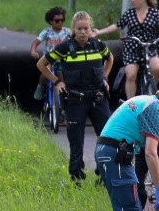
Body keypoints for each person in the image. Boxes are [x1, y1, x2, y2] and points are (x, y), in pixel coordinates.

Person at [38, 11, 114, 182]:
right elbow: (41, 64)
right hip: (75, 100)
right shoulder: (65, 47)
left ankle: (103, 175)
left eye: (86, 28)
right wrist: (57, 82)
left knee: (107, 138)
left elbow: (110, 58)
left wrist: (105, 77)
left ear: (90, 28)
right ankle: (76, 177)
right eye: (79, 29)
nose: (83, 32)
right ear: (73, 29)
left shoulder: (98, 45)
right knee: (76, 141)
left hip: (98, 99)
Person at [95, 93, 159, 211]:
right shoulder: (156, 111)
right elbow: (150, 153)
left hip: (109, 152)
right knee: (130, 209)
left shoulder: (147, 100)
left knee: (130, 206)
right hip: (116, 154)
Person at [99, 0, 159, 97]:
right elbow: (117, 26)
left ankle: (150, 87)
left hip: (149, 46)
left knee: (157, 70)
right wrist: (99, 32)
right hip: (132, 47)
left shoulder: (154, 13)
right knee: (131, 74)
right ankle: (131, 103)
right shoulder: (129, 13)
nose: (132, 0)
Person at [30, 6, 69, 100]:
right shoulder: (47, 32)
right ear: (51, 21)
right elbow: (36, 42)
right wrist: (33, 51)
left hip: (61, 59)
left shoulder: (67, 31)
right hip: (48, 59)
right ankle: (40, 87)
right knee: (45, 74)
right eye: (57, 20)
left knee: (61, 78)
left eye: (62, 20)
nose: (60, 22)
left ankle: (62, 102)